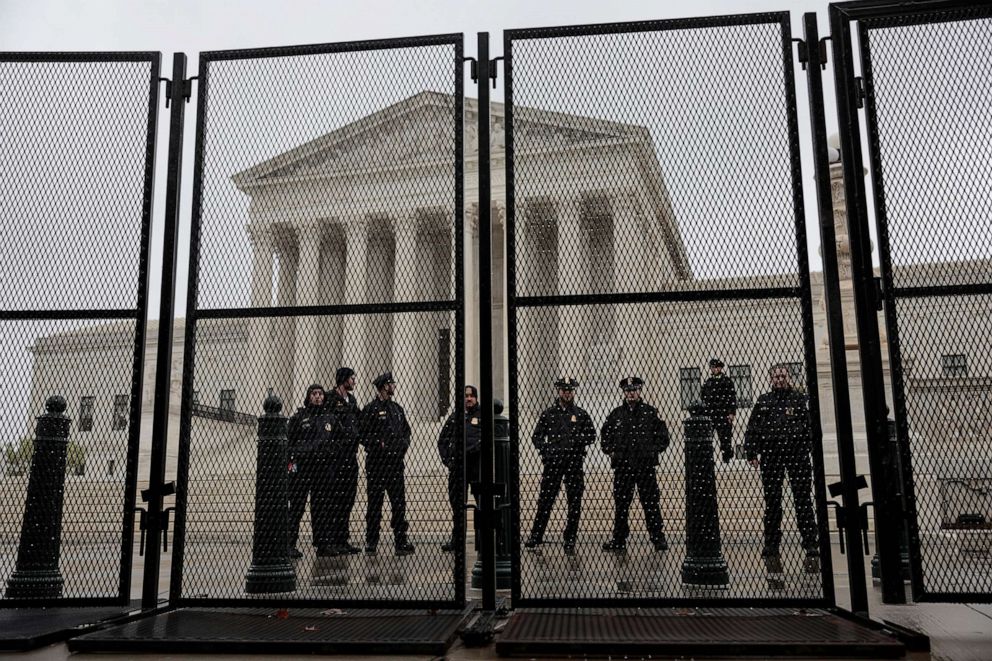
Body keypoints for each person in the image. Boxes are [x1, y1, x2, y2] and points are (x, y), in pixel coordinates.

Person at [744, 364, 820, 574]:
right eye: (776, 376)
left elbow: (810, 426)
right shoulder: (763, 401)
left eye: (782, 376)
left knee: (802, 499)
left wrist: (807, 448)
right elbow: (753, 427)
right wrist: (751, 452)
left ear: (788, 377)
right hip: (772, 454)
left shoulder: (799, 399)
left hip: (796, 454)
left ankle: (811, 544)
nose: (779, 379)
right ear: (771, 379)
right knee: (773, 502)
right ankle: (771, 545)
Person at [524, 376, 596, 555]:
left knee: (574, 501)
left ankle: (570, 537)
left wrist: (577, 441)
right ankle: (537, 535)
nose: (567, 393)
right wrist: (546, 451)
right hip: (554, 462)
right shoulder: (549, 413)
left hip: (573, 462)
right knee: (546, 500)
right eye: (564, 390)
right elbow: (537, 436)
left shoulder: (581, 414)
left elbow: (592, 436)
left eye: (570, 390)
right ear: (559, 391)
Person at [600, 376, 670, 552]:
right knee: (621, 504)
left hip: (645, 466)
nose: (631, 393)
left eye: (634, 390)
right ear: (624, 392)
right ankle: (619, 539)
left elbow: (663, 436)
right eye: (628, 391)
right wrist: (611, 451)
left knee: (650, 503)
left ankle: (657, 538)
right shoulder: (616, 414)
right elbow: (605, 436)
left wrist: (653, 451)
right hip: (623, 467)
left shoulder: (650, 412)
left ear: (639, 391)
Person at [360, 372, 414, 555]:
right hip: (377, 464)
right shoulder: (370, 409)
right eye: (391, 383)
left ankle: (401, 541)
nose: (394, 386)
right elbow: (364, 435)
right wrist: (378, 444)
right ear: (384, 386)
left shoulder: (397, 409)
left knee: (399, 504)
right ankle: (371, 541)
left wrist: (402, 446)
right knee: (375, 504)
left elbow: (407, 431)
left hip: (395, 464)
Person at [286, 384, 334, 558]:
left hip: (322, 470)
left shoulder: (329, 418)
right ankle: (289, 544)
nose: (318, 397)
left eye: (320, 394)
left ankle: (322, 544)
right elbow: (289, 444)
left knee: (320, 507)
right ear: (308, 397)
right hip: (303, 470)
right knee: (297, 507)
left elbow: (338, 439)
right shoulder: (299, 418)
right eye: (314, 394)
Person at [322, 366, 361, 557]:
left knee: (347, 499)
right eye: (352, 378)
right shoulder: (329, 399)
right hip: (334, 458)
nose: (354, 381)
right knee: (333, 499)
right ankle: (330, 540)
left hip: (350, 457)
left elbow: (360, 422)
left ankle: (342, 539)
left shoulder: (351, 400)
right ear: (343, 379)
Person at [437, 385, 482, 553]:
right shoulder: (455, 416)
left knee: (481, 505)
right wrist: (449, 461)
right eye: (466, 396)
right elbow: (442, 440)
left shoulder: (482, 415)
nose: (468, 399)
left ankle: (481, 539)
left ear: (476, 398)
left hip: (477, 467)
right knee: (457, 506)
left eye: (471, 396)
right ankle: (457, 540)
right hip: (458, 467)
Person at [700, 358, 737, 464]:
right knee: (707, 437)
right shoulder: (708, 382)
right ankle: (708, 458)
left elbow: (732, 398)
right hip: (711, 413)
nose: (714, 369)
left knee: (725, 437)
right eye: (712, 367)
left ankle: (727, 456)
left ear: (720, 368)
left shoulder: (727, 381)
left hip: (724, 413)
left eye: (716, 367)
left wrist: (731, 413)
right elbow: (703, 397)